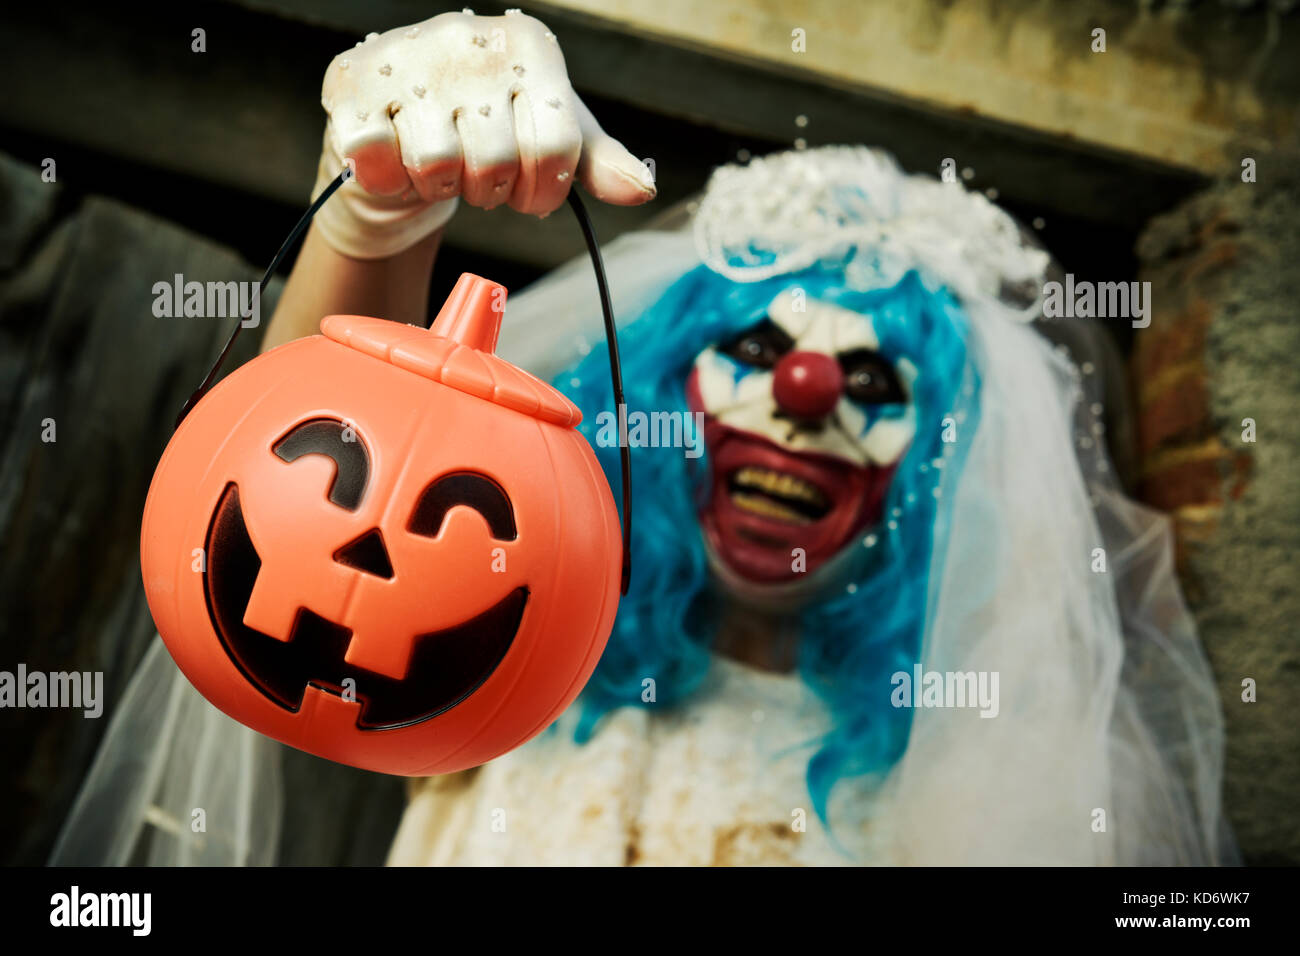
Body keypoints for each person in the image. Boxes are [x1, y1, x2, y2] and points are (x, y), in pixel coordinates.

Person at [53, 10, 1234, 866]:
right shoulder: (529, 649)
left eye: (867, 379)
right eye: (755, 355)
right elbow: (316, 506)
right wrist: (377, 211)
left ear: (944, 468)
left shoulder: (979, 778)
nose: (806, 390)